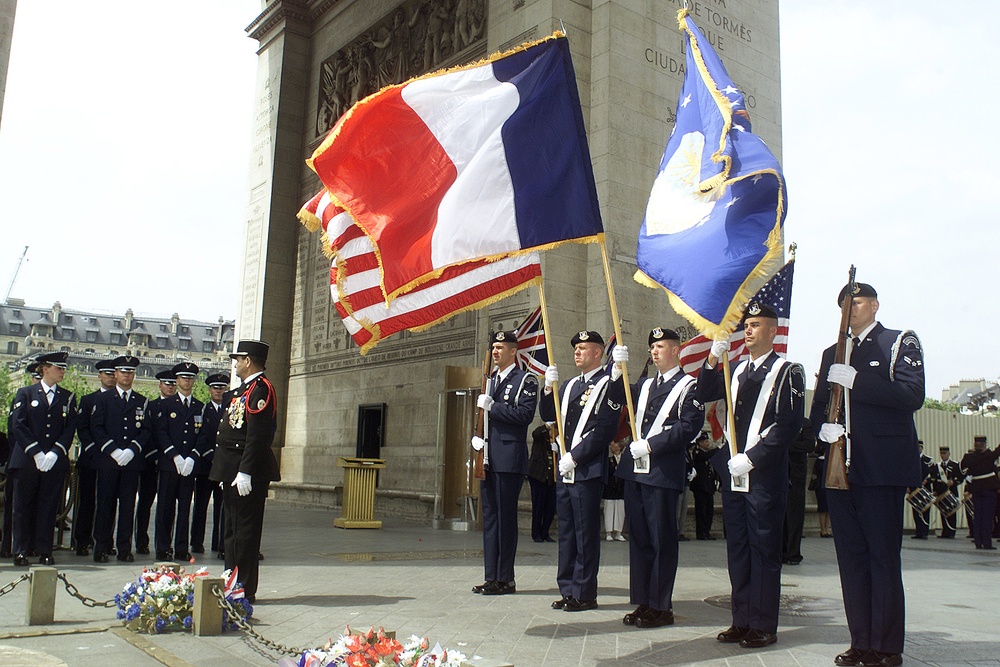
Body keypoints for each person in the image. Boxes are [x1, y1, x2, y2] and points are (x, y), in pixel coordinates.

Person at [813, 282, 924, 667]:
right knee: (851, 558)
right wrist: (822, 432)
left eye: (857, 301)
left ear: (874, 305)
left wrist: (858, 382)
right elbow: (817, 411)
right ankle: (860, 640)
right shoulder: (832, 353)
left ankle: (886, 646)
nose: (850, 308)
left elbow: (911, 396)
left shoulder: (897, 342)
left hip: (881, 468)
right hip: (840, 470)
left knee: (882, 557)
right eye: (843, 302)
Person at [698, 301, 805, 649]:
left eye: (756, 325)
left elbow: (788, 425)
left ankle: (763, 624)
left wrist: (753, 457)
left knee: (763, 551)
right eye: (746, 325)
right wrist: (713, 359)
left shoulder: (788, 371)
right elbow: (703, 393)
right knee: (739, 550)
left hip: (764, 477)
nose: (748, 330)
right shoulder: (735, 370)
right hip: (734, 476)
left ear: (773, 331)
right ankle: (741, 620)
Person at [617, 326, 704, 629]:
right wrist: (616, 370)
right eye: (652, 347)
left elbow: (689, 426)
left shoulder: (689, 386)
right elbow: (618, 400)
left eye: (661, 346)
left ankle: (661, 606)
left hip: (662, 472)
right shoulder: (644, 385)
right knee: (639, 540)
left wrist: (652, 444)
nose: (655, 351)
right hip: (637, 472)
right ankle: (644, 602)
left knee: (661, 540)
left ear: (677, 350)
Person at [540, 330, 624, 612]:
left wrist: (575, 457)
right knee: (566, 532)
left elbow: (606, 429)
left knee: (585, 534)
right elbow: (548, 415)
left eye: (583, 348)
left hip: (586, 469)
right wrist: (547, 389)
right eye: (575, 347)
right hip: (565, 471)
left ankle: (585, 592)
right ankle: (567, 588)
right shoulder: (569, 385)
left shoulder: (608, 383)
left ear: (598, 352)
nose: (577, 352)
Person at [209, 339, 280, 604]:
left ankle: (244, 587)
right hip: (232, 472)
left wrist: (245, 471)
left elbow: (258, 435)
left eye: (238, 359)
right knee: (231, 531)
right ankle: (231, 581)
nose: (236, 364)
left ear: (248, 361)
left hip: (246, 474)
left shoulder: (261, 390)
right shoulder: (242, 390)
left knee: (245, 534)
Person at [470, 330, 538, 596]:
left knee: (506, 519)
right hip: (486, 457)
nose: (496, 351)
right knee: (490, 519)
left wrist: (493, 407)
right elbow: (481, 419)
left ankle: (505, 579)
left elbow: (525, 415)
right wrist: (477, 439)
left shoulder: (525, 380)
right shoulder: (489, 380)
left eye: (501, 347)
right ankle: (491, 576)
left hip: (509, 459)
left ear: (513, 351)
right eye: (494, 348)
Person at [8, 351, 79, 566]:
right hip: (27, 461)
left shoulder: (67, 397)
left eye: (63, 368)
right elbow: (18, 425)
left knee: (48, 508)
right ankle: (21, 550)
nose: (62, 372)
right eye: (58, 368)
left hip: (53, 462)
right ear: (45, 369)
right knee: (22, 507)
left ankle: (44, 549)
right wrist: (36, 452)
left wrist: (54, 453)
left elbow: (69, 429)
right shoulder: (26, 393)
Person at [92, 355, 151, 563]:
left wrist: (132, 450)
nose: (127, 376)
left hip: (131, 462)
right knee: (105, 505)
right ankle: (101, 546)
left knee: (127, 506)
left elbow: (145, 430)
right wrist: (113, 450)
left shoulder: (141, 401)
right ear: (115, 374)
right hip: (109, 460)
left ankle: (124, 547)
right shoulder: (103, 399)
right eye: (123, 372)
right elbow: (97, 428)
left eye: (130, 372)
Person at [154, 362, 203, 561]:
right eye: (183, 378)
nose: (187, 381)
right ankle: (163, 547)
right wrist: (174, 455)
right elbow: (161, 433)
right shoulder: (166, 405)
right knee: (165, 508)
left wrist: (193, 457)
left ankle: (181, 547)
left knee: (184, 508)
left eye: (190, 378)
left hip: (189, 466)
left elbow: (204, 436)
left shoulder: (200, 406)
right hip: (169, 463)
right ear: (177, 380)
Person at [73, 358, 117, 556]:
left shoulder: (120, 401)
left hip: (112, 460)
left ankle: (106, 540)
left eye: (112, 374)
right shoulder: (88, 400)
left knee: (108, 502)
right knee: (87, 501)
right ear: (99, 376)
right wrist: (94, 449)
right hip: (91, 458)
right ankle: (82, 539)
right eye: (106, 374)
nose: (110, 377)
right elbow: (82, 428)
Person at [2, 361, 41, 559]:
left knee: (37, 506)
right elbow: (13, 431)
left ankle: (33, 545)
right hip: (21, 459)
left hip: (41, 460)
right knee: (16, 508)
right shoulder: (23, 396)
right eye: (36, 378)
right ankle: (9, 545)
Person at [136, 370, 176, 555]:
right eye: (166, 384)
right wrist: (154, 455)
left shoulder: (177, 406)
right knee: (145, 502)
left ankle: (165, 543)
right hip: (151, 462)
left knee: (167, 506)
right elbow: (147, 433)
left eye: (172, 384)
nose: (170, 387)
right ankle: (141, 540)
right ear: (159, 385)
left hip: (170, 463)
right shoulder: (150, 406)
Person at [191, 373, 229, 556]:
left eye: (222, 388)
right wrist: (210, 456)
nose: (219, 391)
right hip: (206, 465)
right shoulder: (202, 410)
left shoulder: (230, 410)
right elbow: (201, 437)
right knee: (201, 505)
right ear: (210, 390)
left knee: (222, 507)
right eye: (215, 388)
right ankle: (197, 541)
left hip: (223, 466)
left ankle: (220, 543)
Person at [783, 418, 815, 564]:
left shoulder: (804, 423)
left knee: (795, 515)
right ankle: (781, 551)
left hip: (796, 476)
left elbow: (809, 445)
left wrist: (785, 444)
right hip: (780, 473)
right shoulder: (778, 421)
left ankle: (793, 553)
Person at [960, 436, 1000, 550]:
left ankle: (978, 542)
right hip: (989, 490)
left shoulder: (968, 457)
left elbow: (962, 470)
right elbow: (998, 451)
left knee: (978, 516)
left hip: (976, 489)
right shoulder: (989, 456)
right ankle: (986, 542)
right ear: (984, 445)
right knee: (987, 517)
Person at [527, 424, 557, 543]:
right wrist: (547, 426)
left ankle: (545, 532)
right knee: (538, 506)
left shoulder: (557, 441)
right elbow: (535, 433)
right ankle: (536, 533)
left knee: (550, 507)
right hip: (538, 476)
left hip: (551, 478)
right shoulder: (541, 436)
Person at [690, 433, 719, 540]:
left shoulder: (708, 453)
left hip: (709, 487)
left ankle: (707, 531)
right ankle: (701, 532)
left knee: (709, 511)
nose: (708, 443)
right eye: (705, 442)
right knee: (701, 511)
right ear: (700, 443)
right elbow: (704, 457)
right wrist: (718, 448)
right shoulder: (697, 452)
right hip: (700, 487)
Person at [934, 446, 962, 539]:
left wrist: (954, 482)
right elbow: (935, 479)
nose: (943, 455)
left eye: (944, 453)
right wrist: (935, 490)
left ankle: (951, 531)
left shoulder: (954, 465)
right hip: (941, 492)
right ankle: (945, 531)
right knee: (943, 512)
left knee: (952, 512)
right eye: (941, 454)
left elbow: (960, 477)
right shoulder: (937, 466)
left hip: (951, 492)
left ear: (949, 454)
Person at [910, 441, 934, 539]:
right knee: (916, 511)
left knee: (925, 511)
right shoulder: (911, 459)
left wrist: (926, 481)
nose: (917, 448)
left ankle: (925, 532)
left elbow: (933, 475)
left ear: (922, 448)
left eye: (919, 447)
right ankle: (918, 531)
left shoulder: (928, 460)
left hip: (925, 489)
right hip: (914, 489)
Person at [603, 440, 626, 541]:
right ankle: (608, 532)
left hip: (621, 489)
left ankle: (618, 532)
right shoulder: (609, 460)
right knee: (609, 509)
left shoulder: (625, 459)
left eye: (614, 445)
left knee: (620, 510)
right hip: (610, 489)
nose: (612, 447)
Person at [811, 440, 833, 538]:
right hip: (821, 487)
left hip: (824, 486)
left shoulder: (825, 461)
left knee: (827, 509)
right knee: (823, 509)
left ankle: (826, 528)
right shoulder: (820, 461)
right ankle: (823, 529)